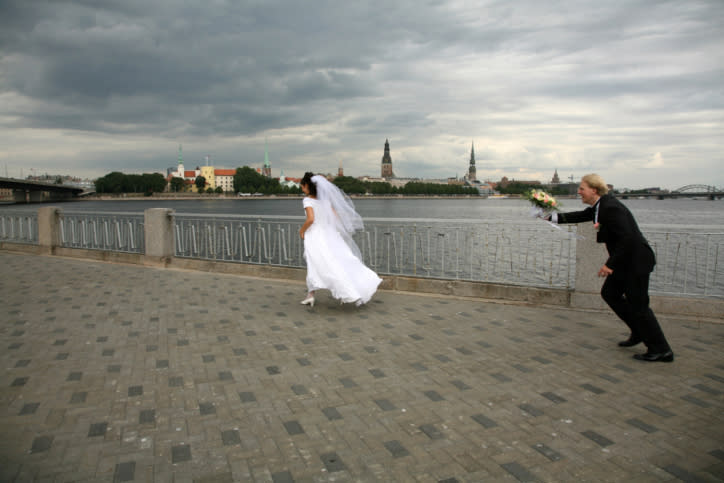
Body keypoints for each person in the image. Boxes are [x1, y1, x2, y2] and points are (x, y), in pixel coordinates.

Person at [547, 174, 674, 362]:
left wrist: (609, 265)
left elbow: (627, 238)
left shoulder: (611, 207)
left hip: (635, 262)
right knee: (610, 293)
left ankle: (661, 350)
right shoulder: (600, 207)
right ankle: (639, 332)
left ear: (594, 190)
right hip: (625, 262)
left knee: (639, 306)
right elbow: (581, 215)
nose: (579, 192)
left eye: (582, 188)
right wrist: (550, 217)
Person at [298, 172, 382, 307]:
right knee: (341, 259)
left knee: (316, 264)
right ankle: (316, 294)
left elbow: (311, 219)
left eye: (302, 186)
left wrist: (301, 231)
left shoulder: (307, 200)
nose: (302, 188)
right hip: (329, 234)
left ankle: (316, 295)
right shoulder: (325, 201)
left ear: (307, 186)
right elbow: (335, 217)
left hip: (315, 235)